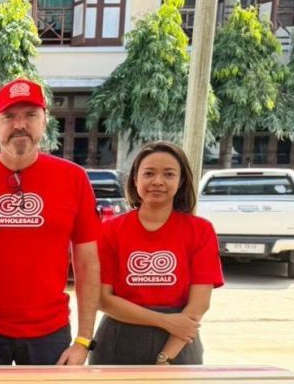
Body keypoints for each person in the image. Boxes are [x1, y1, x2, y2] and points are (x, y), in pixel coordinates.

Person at [0, 78, 101, 366]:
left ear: (45, 120)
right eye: (9, 116)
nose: (20, 124)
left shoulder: (73, 180)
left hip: (49, 335)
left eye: (30, 115)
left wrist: (84, 340)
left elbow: (88, 262)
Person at [90, 141, 223, 365]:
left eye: (169, 174)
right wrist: (165, 321)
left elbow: (199, 304)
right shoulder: (110, 230)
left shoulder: (200, 230)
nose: (158, 181)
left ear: (181, 181)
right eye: (149, 173)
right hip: (118, 340)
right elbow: (102, 298)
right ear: (135, 179)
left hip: (178, 343)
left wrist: (166, 358)